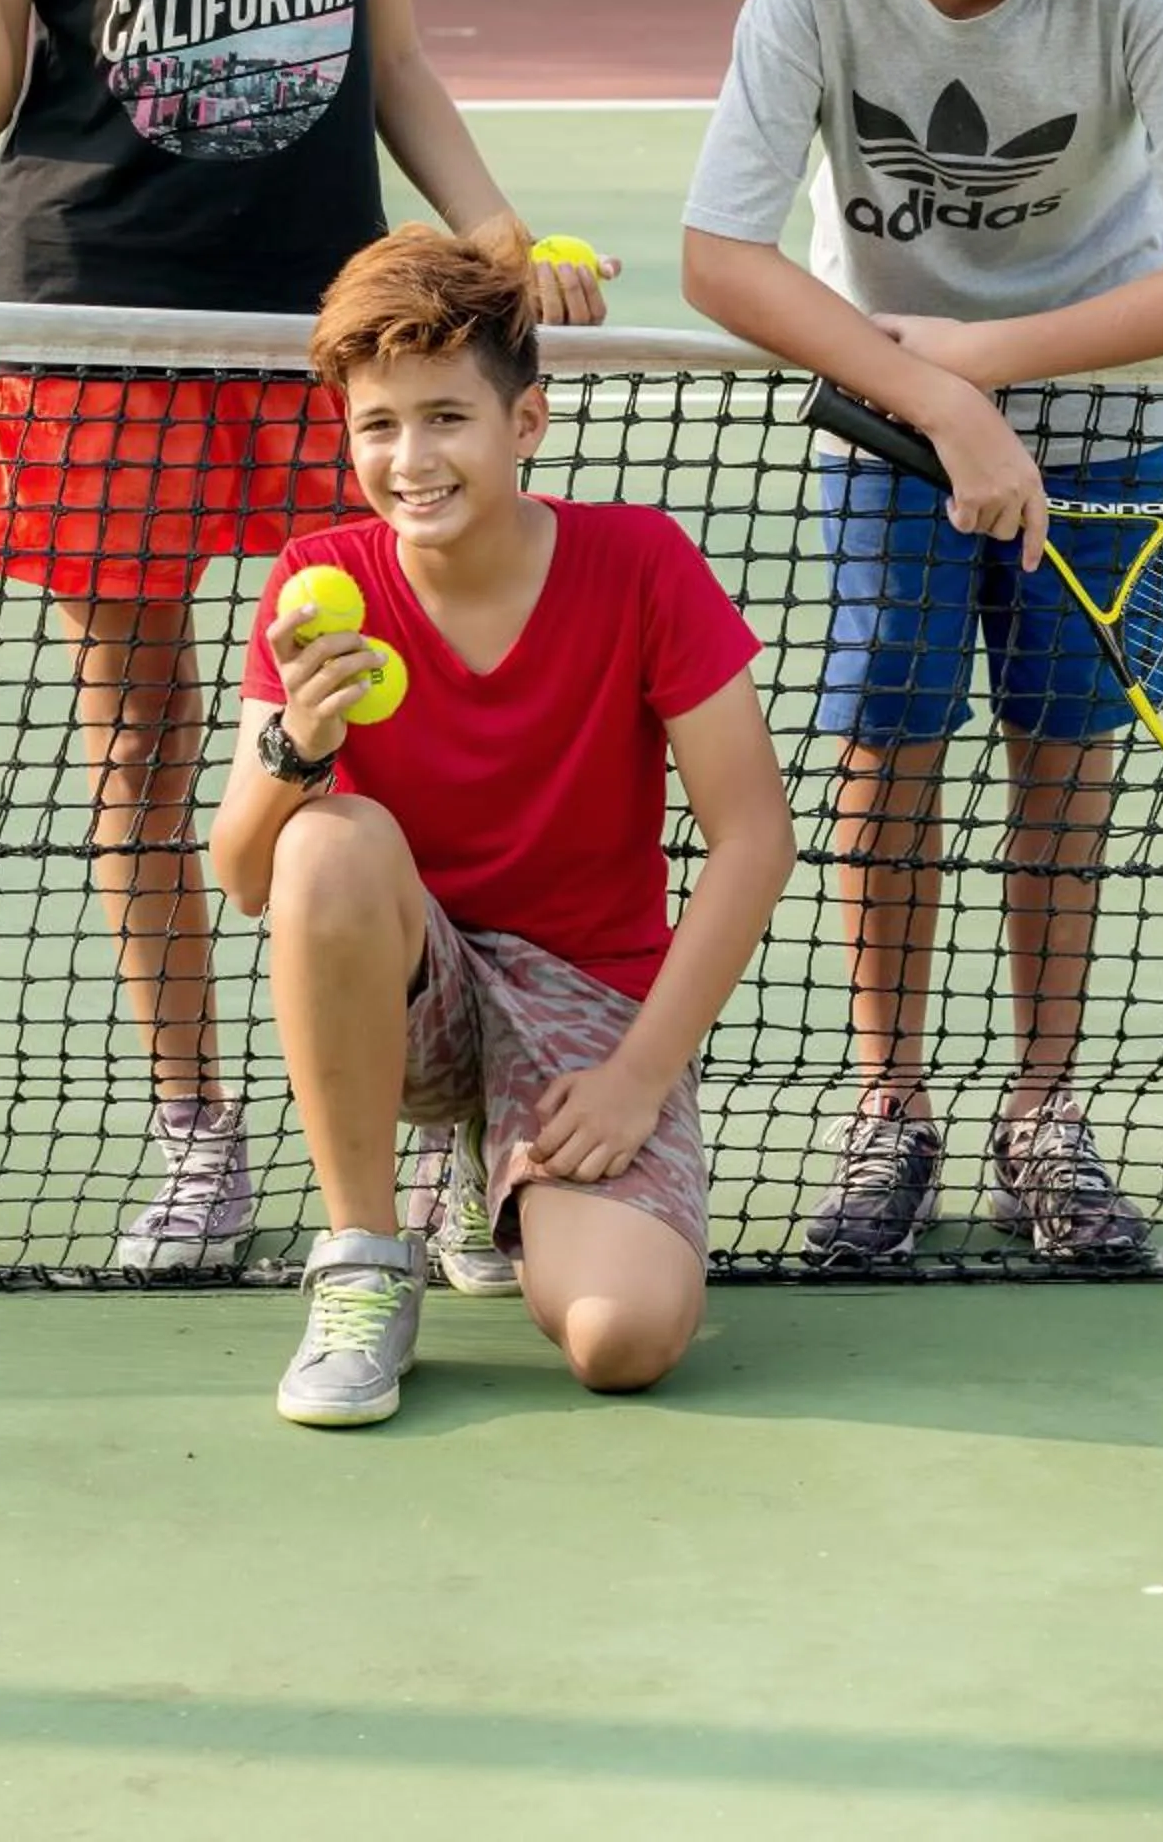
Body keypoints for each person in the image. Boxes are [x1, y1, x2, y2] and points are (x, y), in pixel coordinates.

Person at [0, 0, 610, 1280]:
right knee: (146, 752)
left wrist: (492, 234)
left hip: (330, 349)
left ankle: (447, 1107)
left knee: (381, 738)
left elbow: (391, 54)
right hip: (95, 322)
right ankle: (196, 1134)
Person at [681, 0, 1163, 1269]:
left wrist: (995, 368)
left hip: (1096, 412)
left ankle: (1042, 1110)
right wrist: (939, 399)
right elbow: (716, 258)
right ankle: (891, 1109)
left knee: (1066, 755)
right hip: (885, 414)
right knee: (889, 745)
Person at [210, 225, 795, 1427]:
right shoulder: (317, 580)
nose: (410, 458)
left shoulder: (641, 563)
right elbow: (246, 875)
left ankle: (493, 1172)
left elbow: (752, 838)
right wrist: (293, 753)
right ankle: (367, 1257)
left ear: (523, 424)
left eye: (445, 418)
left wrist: (639, 1077)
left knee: (621, 1339)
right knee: (328, 839)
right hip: (414, 993)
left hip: (590, 1008)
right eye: (377, 426)